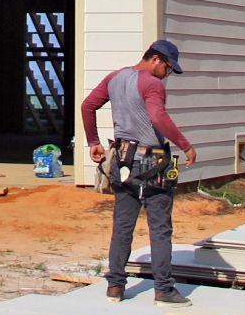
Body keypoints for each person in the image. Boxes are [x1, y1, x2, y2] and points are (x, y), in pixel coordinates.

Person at [81, 39, 196, 307]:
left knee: (123, 226)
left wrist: (93, 142)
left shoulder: (115, 77)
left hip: (122, 161)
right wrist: (186, 145)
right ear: (155, 59)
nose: (167, 75)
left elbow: (88, 106)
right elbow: (157, 118)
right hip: (153, 163)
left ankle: (115, 287)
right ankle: (164, 291)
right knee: (160, 228)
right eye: (167, 68)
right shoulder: (151, 83)